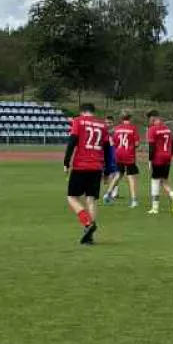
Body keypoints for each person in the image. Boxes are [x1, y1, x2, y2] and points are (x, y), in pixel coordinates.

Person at [63, 103, 111, 245]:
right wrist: (107, 170)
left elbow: (72, 142)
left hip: (81, 166)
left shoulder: (78, 121)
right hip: (97, 166)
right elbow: (107, 149)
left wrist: (66, 162)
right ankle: (89, 237)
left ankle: (87, 223)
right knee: (91, 199)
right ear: (93, 111)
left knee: (72, 197)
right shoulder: (103, 125)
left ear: (82, 112)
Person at [144, 110, 173, 215]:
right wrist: (170, 155)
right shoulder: (167, 129)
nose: (149, 121)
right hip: (167, 157)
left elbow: (151, 147)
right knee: (163, 180)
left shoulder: (152, 129)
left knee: (155, 181)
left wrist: (150, 160)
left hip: (157, 158)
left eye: (150, 118)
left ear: (153, 118)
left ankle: (155, 208)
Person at [105, 112, 141, 207]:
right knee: (131, 177)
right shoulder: (133, 128)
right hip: (128, 155)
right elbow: (137, 144)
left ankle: (108, 194)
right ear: (130, 118)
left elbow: (113, 142)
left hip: (118, 154)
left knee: (118, 174)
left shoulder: (117, 128)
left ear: (121, 118)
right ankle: (134, 200)